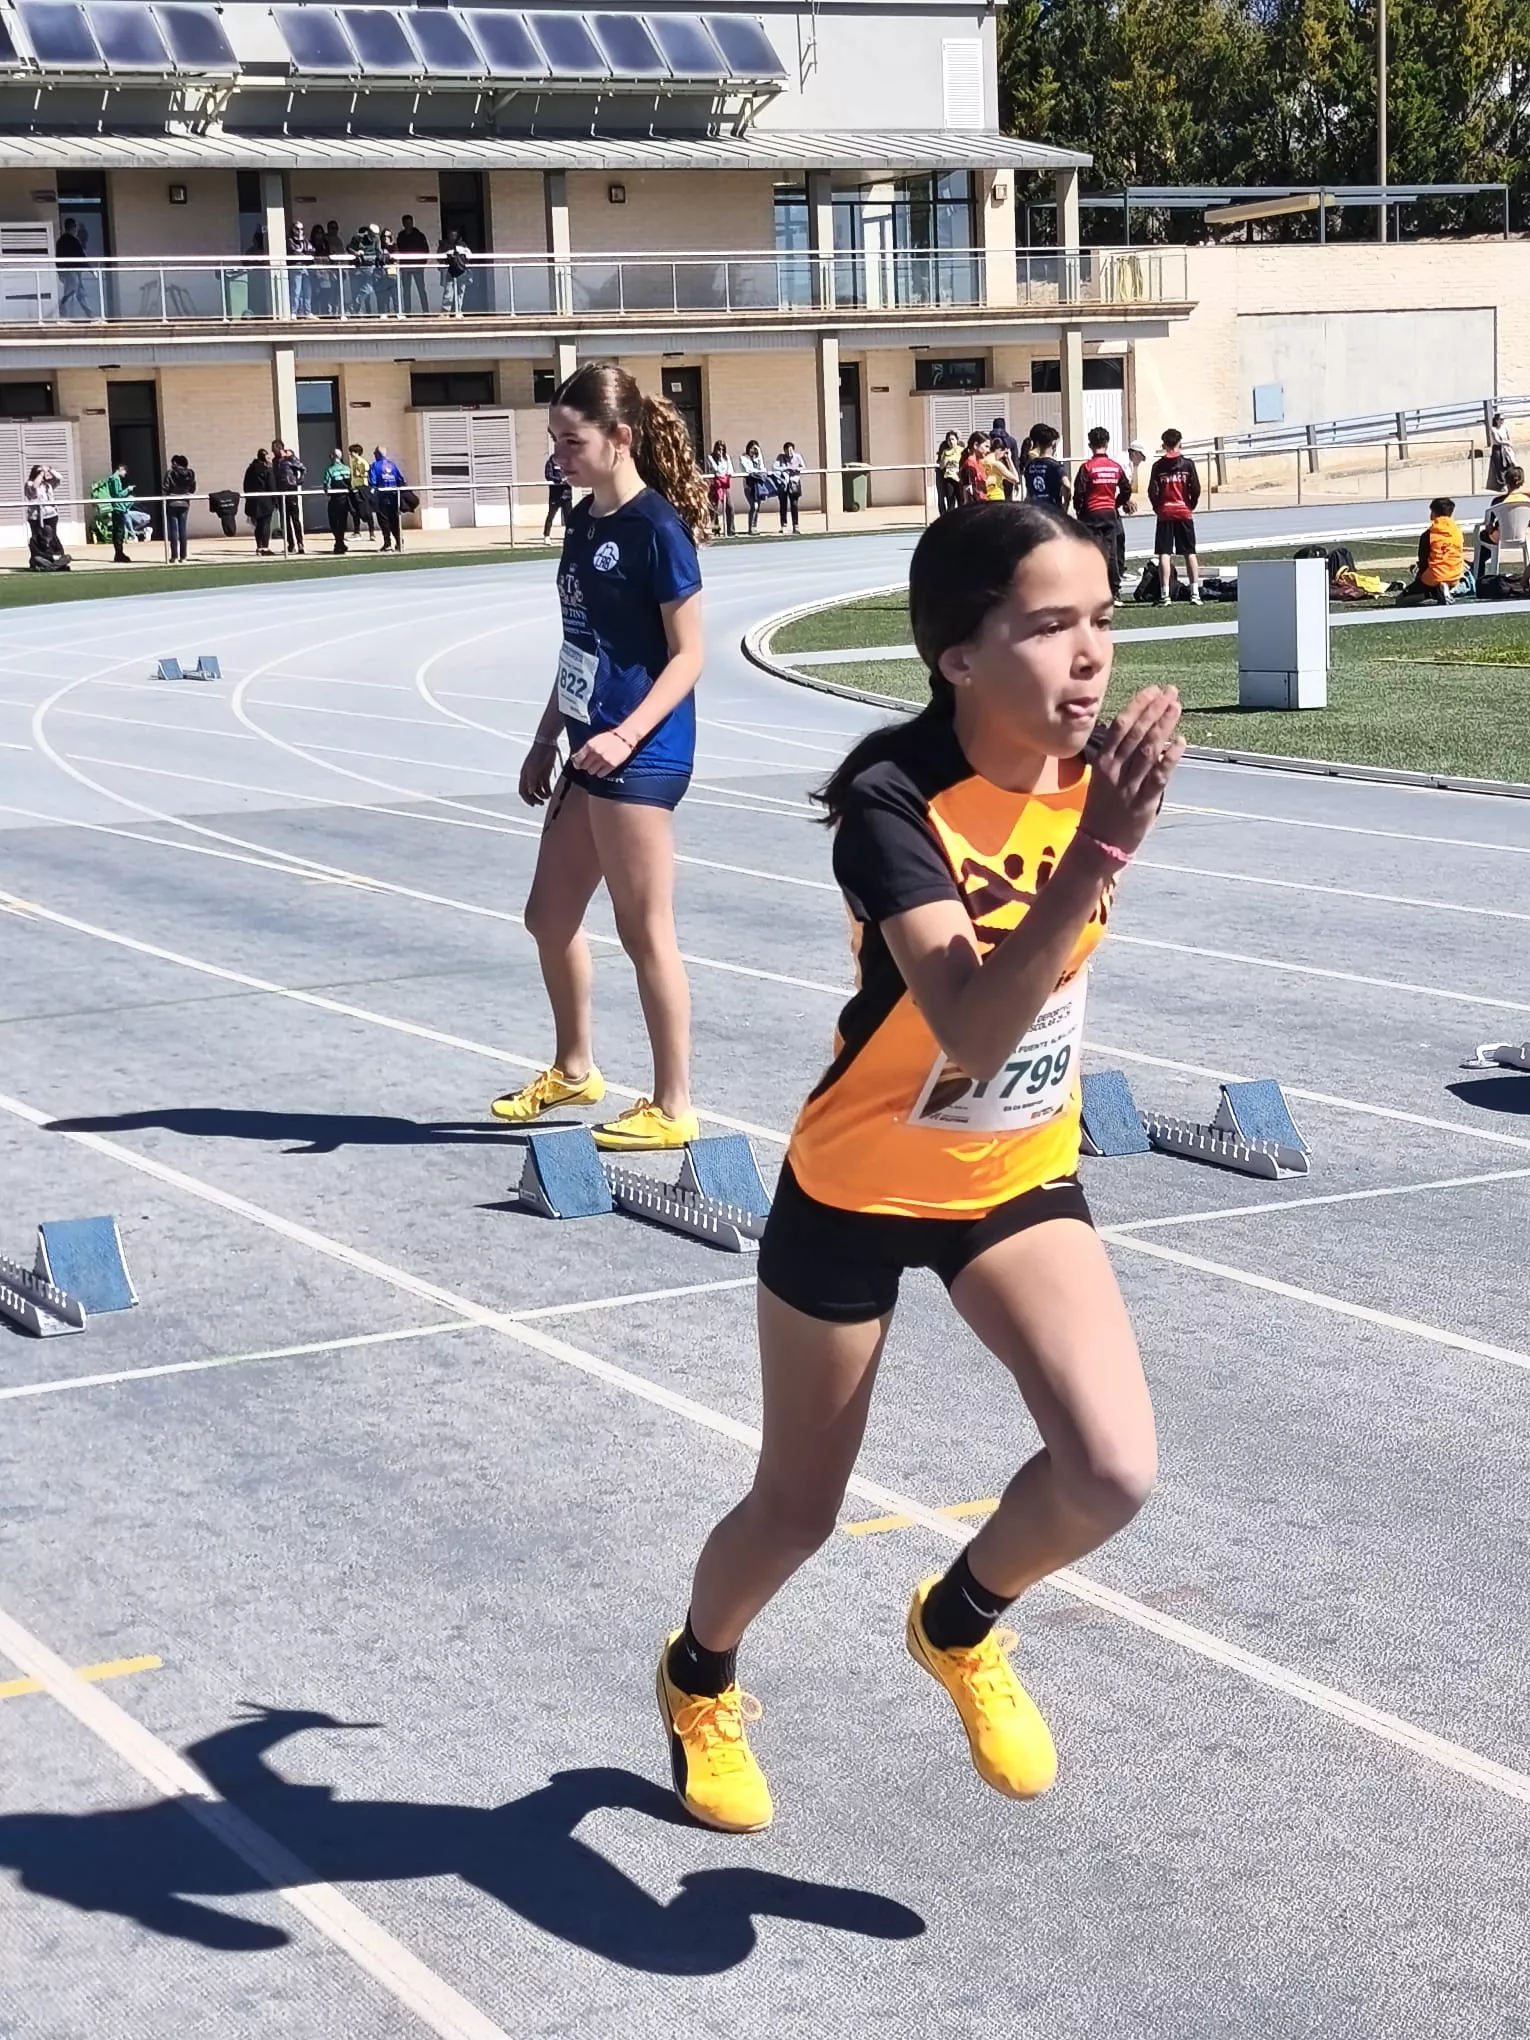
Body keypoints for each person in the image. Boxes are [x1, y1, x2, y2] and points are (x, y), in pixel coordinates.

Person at [655, 500, 1182, 1834]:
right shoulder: (892, 805)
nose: (1089, 656)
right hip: (858, 1184)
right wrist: (1100, 849)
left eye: (1101, 620)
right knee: (796, 1512)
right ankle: (698, 1675)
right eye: (1048, 625)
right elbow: (969, 1026)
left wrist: (1098, 826)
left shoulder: (1090, 773)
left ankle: (958, 1621)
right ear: (958, 655)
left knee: (1110, 1470)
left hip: (1012, 1170)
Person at [489, 361, 710, 1152]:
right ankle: (575, 1068)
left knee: (644, 931)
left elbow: (689, 655)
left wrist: (625, 733)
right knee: (547, 918)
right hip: (587, 746)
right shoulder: (583, 522)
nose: (558, 456)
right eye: (553, 440)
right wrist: (546, 733)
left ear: (620, 437)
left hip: (640, 755)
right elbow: (581, 644)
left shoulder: (657, 530)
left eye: (571, 441)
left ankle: (673, 1105)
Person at [1072, 426, 1132, 598]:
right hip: (1109, 513)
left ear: (1090, 445)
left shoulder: (1087, 467)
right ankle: (1114, 590)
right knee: (1111, 552)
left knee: (1091, 552)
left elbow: (1079, 493)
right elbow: (1126, 489)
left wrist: (1080, 512)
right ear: (1107, 443)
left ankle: (1093, 588)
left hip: (1091, 514)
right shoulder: (1115, 467)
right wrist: (1116, 503)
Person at [1147, 428, 1202, 606]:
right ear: (1180, 443)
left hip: (1165, 513)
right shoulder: (1188, 464)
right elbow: (1196, 488)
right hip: (1184, 511)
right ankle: (1195, 593)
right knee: (1189, 552)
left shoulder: (1158, 466)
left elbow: (1152, 491)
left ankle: (1165, 595)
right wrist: (1190, 504)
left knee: (1164, 553)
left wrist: (1158, 507)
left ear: (1164, 445)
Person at [1398, 497, 1466, 606]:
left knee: (1401, 600)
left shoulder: (1428, 534)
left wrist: (1419, 577)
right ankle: (1445, 590)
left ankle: (1433, 593)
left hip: (1435, 576)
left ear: (1433, 513)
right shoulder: (1458, 532)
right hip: (1455, 576)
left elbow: (1423, 562)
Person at [1474, 463, 1530, 582]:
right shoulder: (1527, 500)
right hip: (1524, 537)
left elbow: (1489, 525)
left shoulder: (1498, 501)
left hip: (1500, 538)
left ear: (1506, 482)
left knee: (1483, 536)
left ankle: (1478, 573)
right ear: (1522, 481)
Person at [24, 462, 67, 569]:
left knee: (52, 537)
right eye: (39, 472)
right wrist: (41, 473)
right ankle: (36, 560)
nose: (43, 474)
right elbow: (35, 486)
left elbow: (59, 478)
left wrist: (50, 469)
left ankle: (56, 558)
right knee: (37, 538)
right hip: (36, 517)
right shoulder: (29, 483)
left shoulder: (48, 484)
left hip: (50, 515)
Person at [1019, 423, 1069, 512]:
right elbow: (1066, 485)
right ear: (1053, 443)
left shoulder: (1030, 465)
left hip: (1034, 510)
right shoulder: (1055, 465)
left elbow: (1028, 490)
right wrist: (1066, 503)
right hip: (1052, 509)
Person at [368, 444, 406, 552]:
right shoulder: (392, 465)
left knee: (384, 522)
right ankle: (399, 542)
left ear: (377, 454)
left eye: (375, 453)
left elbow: (372, 482)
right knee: (395, 521)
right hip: (394, 497)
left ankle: (387, 543)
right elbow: (401, 479)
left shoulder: (374, 466)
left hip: (382, 498)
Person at [272, 438, 306, 554]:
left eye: (274, 449)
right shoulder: (275, 461)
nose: (273, 452)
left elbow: (303, 468)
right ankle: (290, 544)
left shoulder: (290, 458)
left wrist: (300, 480)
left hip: (291, 489)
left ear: (279, 448)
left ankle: (300, 543)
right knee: (285, 520)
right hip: (280, 491)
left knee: (295, 518)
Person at [164, 451, 196, 563]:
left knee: (174, 530)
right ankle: (183, 556)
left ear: (175, 463)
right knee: (183, 529)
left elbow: (165, 488)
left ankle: (174, 557)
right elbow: (192, 489)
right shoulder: (190, 474)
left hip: (172, 503)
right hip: (185, 503)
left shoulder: (170, 473)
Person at [243, 447, 276, 555]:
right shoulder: (267, 470)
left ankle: (259, 546)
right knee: (265, 524)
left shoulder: (250, 469)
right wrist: (275, 500)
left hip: (253, 500)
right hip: (265, 501)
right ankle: (265, 548)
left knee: (258, 525)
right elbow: (271, 486)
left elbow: (245, 485)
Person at [397, 212, 431, 316]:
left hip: (417, 267)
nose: (408, 225)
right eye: (406, 223)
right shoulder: (401, 236)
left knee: (421, 290)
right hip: (405, 267)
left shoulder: (419, 235)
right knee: (406, 291)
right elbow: (398, 250)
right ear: (403, 223)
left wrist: (422, 263)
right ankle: (407, 312)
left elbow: (426, 250)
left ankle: (426, 311)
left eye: (410, 222)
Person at [56, 217, 90, 319]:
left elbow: (58, 258)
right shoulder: (74, 241)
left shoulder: (60, 241)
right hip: (73, 271)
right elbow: (81, 256)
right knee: (73, 291)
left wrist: (60, 271)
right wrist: (90, 269)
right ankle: (63, 315)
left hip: (66, 271)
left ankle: (89, 314)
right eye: (75, 227)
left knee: (77, 292)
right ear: (73, 227)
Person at [322, 447, 353, 554]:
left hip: (335, 499)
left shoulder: (330, 469)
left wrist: (327, 491)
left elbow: (326, 485)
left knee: (334, 521)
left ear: (333, 457)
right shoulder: (347, 469)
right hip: (346, 499)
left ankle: (338, 542)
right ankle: (340, 543)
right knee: (343, 521)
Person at [739, 439, 772, 533]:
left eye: (756, 449)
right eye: (752, 448)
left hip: (758, 485)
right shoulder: (743, 458)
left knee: (758, 506)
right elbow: (748, 470)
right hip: (749, 486)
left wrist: (759, 454)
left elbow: (762, 468)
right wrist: (758, 472)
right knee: (754, 505)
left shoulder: (758, 458)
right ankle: (750, 527)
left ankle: (754, 526)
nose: (754, 451)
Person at [105, 462, 135, 562]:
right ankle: (119, 553)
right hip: (118, 508)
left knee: (116, 531)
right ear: (120, 469)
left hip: (115, 508)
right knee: (119, 531)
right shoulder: (116, 479)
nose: (125, 474)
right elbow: (118, 494)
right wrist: (128, 490)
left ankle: (118, 553)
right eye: (125, 471)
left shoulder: (111, 478)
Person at [349, 225, 380, 315]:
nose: (373, 237)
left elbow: (378, 251)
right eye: (372, 234)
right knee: (357, 290)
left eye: (375, 235)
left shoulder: (377, 239)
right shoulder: (358, 237)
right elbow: (349, 248)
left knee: (368, 289)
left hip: (371, 267)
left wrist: (377, 259)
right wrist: (356, 253)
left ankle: (354, 305)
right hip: (359, 268)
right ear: (368, 232)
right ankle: (356, 311)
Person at [772, 442, 804, 532]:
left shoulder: (797, 456)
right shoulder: (780, 457)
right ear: (784, 450)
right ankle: (784, 525)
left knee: (794, 504)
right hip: (783, 483)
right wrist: (785, 468)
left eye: (791, 450)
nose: (789, 452)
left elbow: (803, 466)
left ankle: (795, 526)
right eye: (787, 450)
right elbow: (774, 467)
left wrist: (796, 469)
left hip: (794, 482)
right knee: (783, 504)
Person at [543, 445, 573, 539]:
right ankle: (546, 535)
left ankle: (570, 536)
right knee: (551, 516)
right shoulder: (551, 461)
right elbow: (548, 475)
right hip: (555, 494)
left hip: (566, 494)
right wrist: (559, 479)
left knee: (569, 517)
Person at [348, 442, 376, 541]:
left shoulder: (363, 462)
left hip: (363, 488)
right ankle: (357, 532)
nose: (350, 454)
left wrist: (360, 474)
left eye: (351, 452)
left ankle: (372, 533)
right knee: (355, 511)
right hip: (355, 487)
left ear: (356, 452)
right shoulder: (353, 462)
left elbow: (367, 474)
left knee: (367, 511)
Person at [707, 441, 736, 537]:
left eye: (723, 449)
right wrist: (719, 460)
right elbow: (716, 469)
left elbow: (730, 470)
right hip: (713, 485)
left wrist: (724, 472)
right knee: (713, 507)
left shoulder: (727, 457)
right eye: (719, 449)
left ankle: (731, 529)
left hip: (723, 485)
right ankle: (716, 529)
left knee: (730, 506)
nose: (721, 451)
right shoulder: (710, 457)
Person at [989, 415, 1022, 499]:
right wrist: (1018, 481)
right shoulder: (1011, 440)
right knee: (1007, 498)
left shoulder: (988, 440)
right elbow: (1015, 461)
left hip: (991, 472)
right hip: (1008, 471)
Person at [440, 230, 471, 318]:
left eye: (454, 235)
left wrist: (461, 252)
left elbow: (469, 255)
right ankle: (445, 313)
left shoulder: (462, 245)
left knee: (460, 292)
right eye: (451, 235)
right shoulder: (444, 245)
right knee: (448, 292)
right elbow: (439, 256)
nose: (453, 237)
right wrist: (447, 254)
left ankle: (458, 311)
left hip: (461, 271)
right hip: (449, 272)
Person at [982, 434, 1019, 503]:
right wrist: (1009, 459)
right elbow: (1016, 479)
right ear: (999, 450)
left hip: (985, 497)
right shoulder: (996, 464)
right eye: (1004, 453)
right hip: (997, 497)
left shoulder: (983, 461)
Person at [286, 220, 312, 318]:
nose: (300, 231)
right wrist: (303, 252)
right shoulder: (290, 240)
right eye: (297, 229)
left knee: (307, 291)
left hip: (305, 267)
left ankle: (307, 312)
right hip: (295, 267)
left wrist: (303, 249)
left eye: (301, 229)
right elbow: (294, 252)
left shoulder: (305, 240)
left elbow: (311, 250)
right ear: (293, 229)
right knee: (296, 291)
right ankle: (294, 312)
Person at [935, 430, 963, 516]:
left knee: (961, 500)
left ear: (957, 440)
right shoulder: (945, 452)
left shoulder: (961, 450)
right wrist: (945, 460)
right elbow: (941, 466)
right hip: (949, 478)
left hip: (959, 478)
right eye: (949, 440)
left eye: (953, 439)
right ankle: (950, 519)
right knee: (950, 501)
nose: (951, 441)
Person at [1487, 412, 1514, 494]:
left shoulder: (1504, 427)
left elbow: (1508, 437)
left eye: (1503, 419)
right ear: (1496, 420)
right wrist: (1507, 443)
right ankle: (1502, 484)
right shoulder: (1493, 429)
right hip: (1498, 449)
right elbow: (1497, 441)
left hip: (1505, 448)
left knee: (1509, 464)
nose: (1502, 421)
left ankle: (1510, 482)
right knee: (1500, 467)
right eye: (1501, 419)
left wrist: (1509, 445)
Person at [960, 431, 988, 505]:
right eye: (986, 446)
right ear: (976, 445)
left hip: (984, 504)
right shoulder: (970, 465)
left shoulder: (979, 463)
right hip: (976, 507)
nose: (988, 450)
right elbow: (967, 491)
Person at [378, 228, 400, 318]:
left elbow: (396, 259)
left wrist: (388, 256)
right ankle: (384, 313)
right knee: (384, 296)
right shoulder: (380, 247)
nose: (386, 238)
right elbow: (380, 259)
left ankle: (398, 313)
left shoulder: (394, 246)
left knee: (395, 295)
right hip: (382, 275)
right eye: (384, 236)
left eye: (388, 236)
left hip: (393, 274)